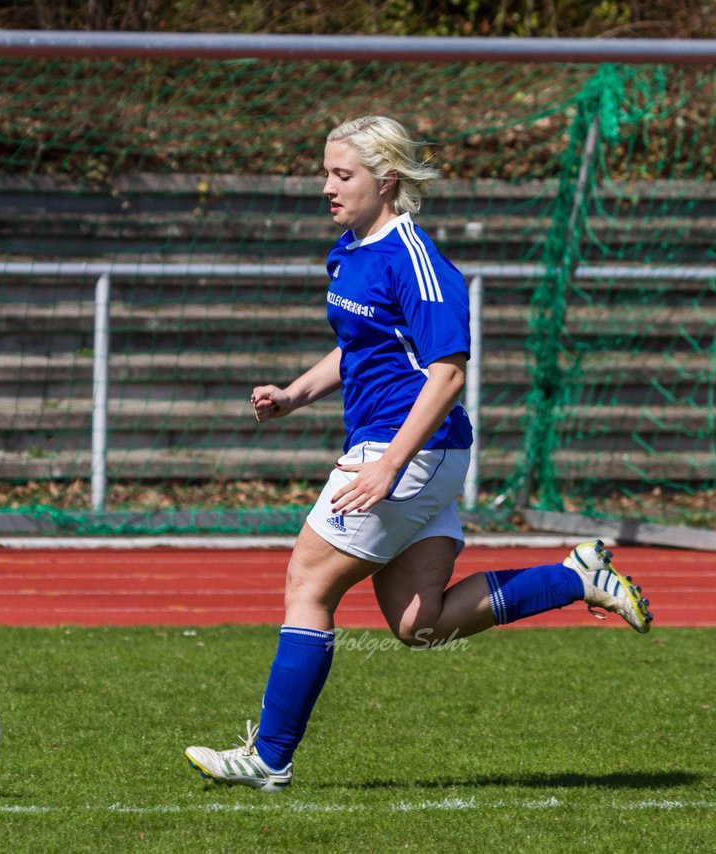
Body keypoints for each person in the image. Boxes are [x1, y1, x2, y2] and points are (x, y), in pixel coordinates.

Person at [183, 116, 654, 793]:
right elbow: (359, 345)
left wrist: (388, 464)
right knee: (418, 623)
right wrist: (294, 394)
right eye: (326, 172)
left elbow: (448, 374)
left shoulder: (418, 261)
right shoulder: (351, 249)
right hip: (415, 453)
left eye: (341, 175)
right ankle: (574, 577)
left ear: (388, 180)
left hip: (409, 450)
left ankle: (269, 758)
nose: (327, 187)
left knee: (307, 585)